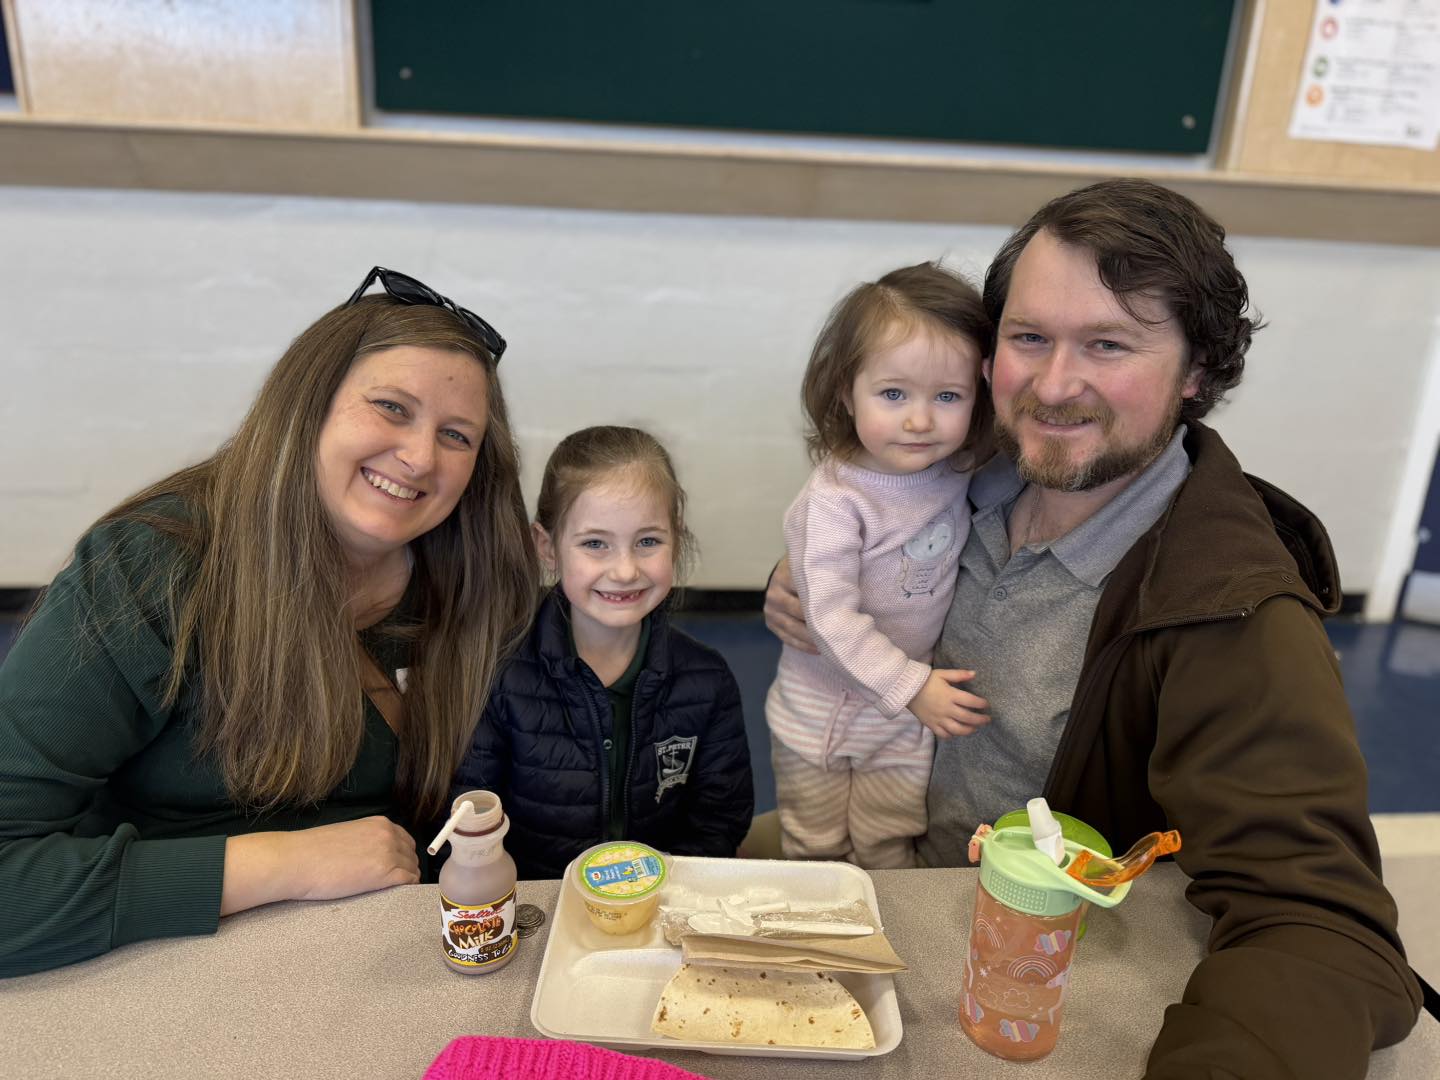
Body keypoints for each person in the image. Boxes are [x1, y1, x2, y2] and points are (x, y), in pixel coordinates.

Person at [765, 180, 1422, 1077]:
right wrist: (797, 580)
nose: (1053, 385)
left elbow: (1323, 929)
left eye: (1108, 344)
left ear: (1196, 373)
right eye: (1029, 337)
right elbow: (855, 520)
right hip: (892, 867)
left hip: (1026, 974)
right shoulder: (969, 469)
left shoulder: (1230, 611)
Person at [0, 267, 538, 977]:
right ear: (307, 405)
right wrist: (288, 863)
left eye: (458, 436)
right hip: (169, 970)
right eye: (391, 407)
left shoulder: (474, 580)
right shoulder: (149, 568)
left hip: (396, 963)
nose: (419, 457)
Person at [766, 262, 993, 870]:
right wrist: (912, 686)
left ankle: (890, 954)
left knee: (889, 843)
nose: (920, 421)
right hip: (821, 717)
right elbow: (831, 618)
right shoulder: (835, 502)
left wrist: (908, 695)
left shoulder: (957, 467)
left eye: (948, 397)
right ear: (847, 391)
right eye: (893, 395)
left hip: (899, 722)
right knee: (816, 849)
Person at [453, 426, 754, 879]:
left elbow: (719, 820)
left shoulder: (708, 680)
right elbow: (472, 818)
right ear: (547, 547)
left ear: (677, 538)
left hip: (659, 905)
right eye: (595, 544)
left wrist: (656, 890)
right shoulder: (500, 675)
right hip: (540, 908)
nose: (626, 569)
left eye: (648, 541)